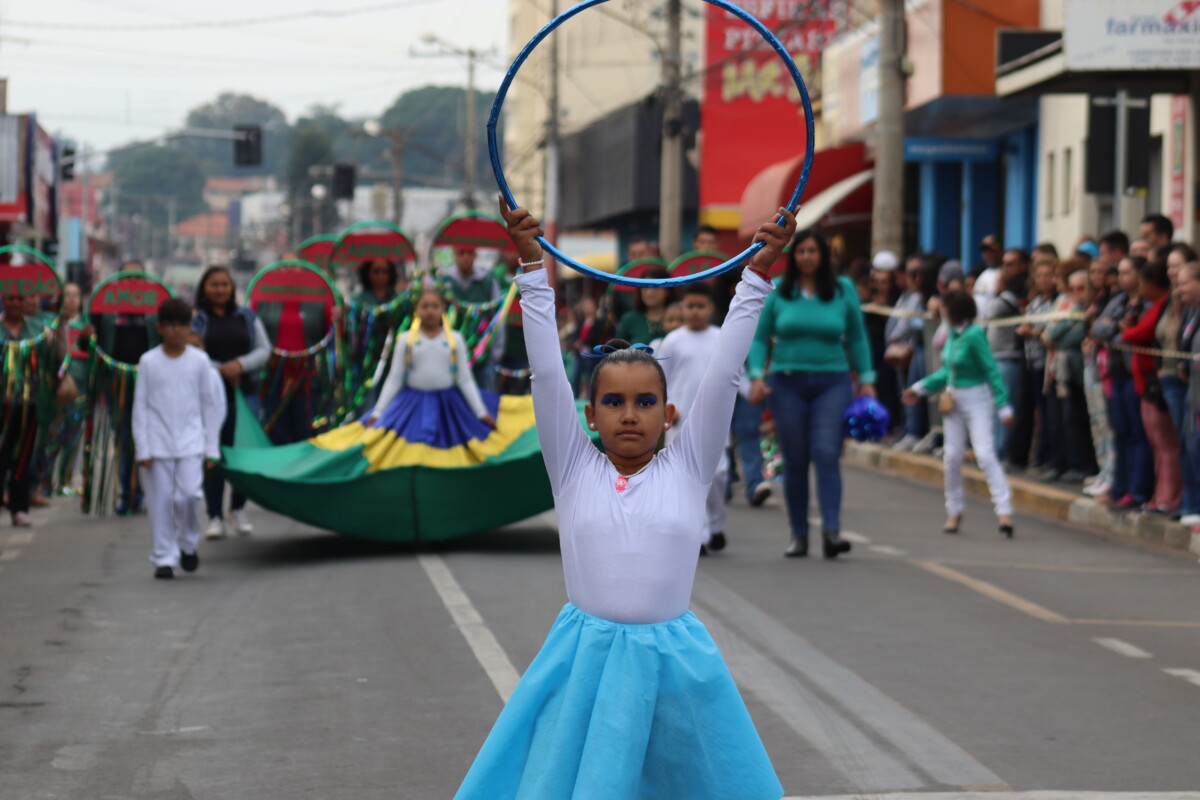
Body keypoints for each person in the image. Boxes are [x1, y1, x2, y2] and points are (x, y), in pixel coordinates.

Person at [454, 199, 792, 800]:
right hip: (584, 662)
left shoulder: (689, 467)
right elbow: (546, 374)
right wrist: (532, 267)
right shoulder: (573, 468)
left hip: (674, 666)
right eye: (613, 403)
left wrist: (757, 275)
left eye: (644, 403)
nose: (629, 415)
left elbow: (723, 374)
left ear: (669, 414)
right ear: (590, 415)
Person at [748, 228, 874, 559]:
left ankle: (832, 531)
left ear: (823, 256)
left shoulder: (843, 289)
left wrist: (867, 378)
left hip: (833, 382)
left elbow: (857, 336)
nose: (806, 257)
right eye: (801, 251)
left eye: (812, 251)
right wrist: (756, 375)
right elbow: (759, 338)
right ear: (794, 256)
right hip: (786, 383)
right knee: (795, 458)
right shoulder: (779, 290)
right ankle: (799, 534)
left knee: (827, 452)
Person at [903, 290, 1015, 537]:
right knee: (952, 457)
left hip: (977, 399)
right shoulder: (952, 334)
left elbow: (991, 370)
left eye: (945, 307)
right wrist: (919, 388)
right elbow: (947, 372)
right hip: (953, 400)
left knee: (985, 454)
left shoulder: (974, 335)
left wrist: (1003, 405)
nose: (941, 311)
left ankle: (1004, 510)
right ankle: (954, 511)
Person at [133, 299, 225, 580]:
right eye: (170, 325)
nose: (175, 331)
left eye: (182, 325)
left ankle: (187, 542)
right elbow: (140, 406)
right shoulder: (149, 361)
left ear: (190, 327)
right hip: (157, 442)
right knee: (160, 501)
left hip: (190, 441)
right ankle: (164, 556)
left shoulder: (199, 361)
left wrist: (212, 447)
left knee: (188, 495)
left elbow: (209, 405)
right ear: (160, 328)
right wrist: (142, 448)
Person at [191, 266, 271, 539]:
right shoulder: (198, 321)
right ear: (204, 288)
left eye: (224, 284)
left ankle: (237, 508)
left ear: (232, 288)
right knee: (214, 454)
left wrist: (240, 365)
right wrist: (221, 370)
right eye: (214, 285)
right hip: (210, 398)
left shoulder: (247, 317)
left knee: (244, 453)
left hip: (245, 394)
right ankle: (214, 515)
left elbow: (264, 350)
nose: (220, 290)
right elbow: (192, 353)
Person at [658, 283, 729, 552]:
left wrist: (753, 391)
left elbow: (735, 375)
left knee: (718, 475)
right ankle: (698, 536)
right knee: (687, 478)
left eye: (701, 306)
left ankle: (716, 524)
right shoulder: (672, 341)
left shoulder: (721, 337)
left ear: (711, 309)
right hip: (680, 421)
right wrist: (666, 408)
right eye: (690, 306)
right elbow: (659, 381)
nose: (695, 311)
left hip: (714, 420)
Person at [368, 288, 495, 430]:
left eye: (435, 306)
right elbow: (395, 378)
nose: (430, 311)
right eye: (424, 306)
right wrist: (378, 412)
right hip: (413, 406)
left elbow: (464, 378)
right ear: (416, 310)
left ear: (443, 309)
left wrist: (481, 412)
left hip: (447, 406)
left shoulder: (455, 339)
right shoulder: (405, 340)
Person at [1121, 258, 1181, 514]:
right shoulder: (1154, 305)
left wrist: (1127, 330)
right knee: (1155, 442)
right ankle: (1158, 496)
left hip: (1159, 380)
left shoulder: (1162, 304)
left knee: (1167, 444)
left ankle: (1168, 498)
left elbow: (1137, 333)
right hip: (1148, 380)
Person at [0, 288, 48, 526]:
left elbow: (52, 360)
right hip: (2, 403)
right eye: (11, 298)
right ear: (4, 300)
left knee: (23, 456)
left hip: (29, 403)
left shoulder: (37, 330)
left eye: (20, 298)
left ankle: (19, 508)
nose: (16, 303)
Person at [1015, 258, 1059, 472]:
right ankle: (1039, 454)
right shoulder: (1035, 302)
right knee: (1038, 411)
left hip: (1048, 363)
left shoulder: (1057, 303)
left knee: (1050, 411)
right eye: (1039, 276)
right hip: (1032, 362)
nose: (1043, 280)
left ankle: (1048, 455)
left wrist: (1031, 332)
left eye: (1048, 275)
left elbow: (1048, 330)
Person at [987, 250, 1028, 465]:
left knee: (1005, 407)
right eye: (1004, 264)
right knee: (995, 406)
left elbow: (990, 311)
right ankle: (994, 449)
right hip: (997, 358)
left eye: (1011, 264)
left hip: (1009, 358)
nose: (1006, 268)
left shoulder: (1010, 295)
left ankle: (1004, 450)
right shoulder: (1005, 294)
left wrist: (997, 292)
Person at [443, 246, 501, 393]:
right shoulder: (444, 281)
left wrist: (496, 352)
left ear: (475, 255)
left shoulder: (488, 281)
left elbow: (498, 317)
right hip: (449, 356)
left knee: (484, 398)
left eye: (469, 253)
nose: (465, 257)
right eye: (461, 253)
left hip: (482, 357)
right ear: (454, 255)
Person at [616, 265, 673, 345]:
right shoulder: (630, 319)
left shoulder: (678, 316)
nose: (649, 292)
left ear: (667, 290)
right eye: (645, 287)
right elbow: (617, 350)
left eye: (655, 287)